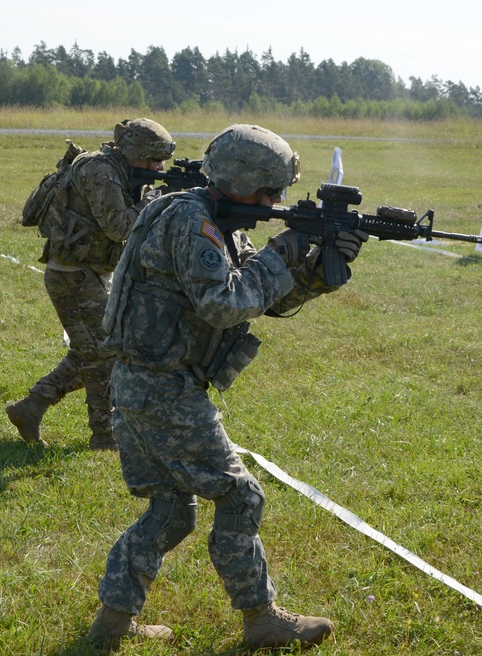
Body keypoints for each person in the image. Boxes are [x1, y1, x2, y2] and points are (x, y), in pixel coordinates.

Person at [86, 124, 369, 650]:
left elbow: (254, 297)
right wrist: (280, 254)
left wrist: (315, 274)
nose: (277, 201)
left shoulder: (211, 217)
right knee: (240, 496)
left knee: (171, 512)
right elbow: (223, 304)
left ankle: (111, 623)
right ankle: (261, 618)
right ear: (242, 181)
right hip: (162, 388)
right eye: (270, 191)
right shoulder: (191, 222)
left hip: (141, 383)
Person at [5, 118, 175, 450]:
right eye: (155, 159)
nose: (160, 166)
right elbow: (118, 226)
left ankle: (31, 407)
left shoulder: (119, 170)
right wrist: (153, 202)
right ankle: (104, 435)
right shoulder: (101, 172)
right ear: (135, 152)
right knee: (103, 355)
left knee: (91, 351)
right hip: (73, 275)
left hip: (90, 271)